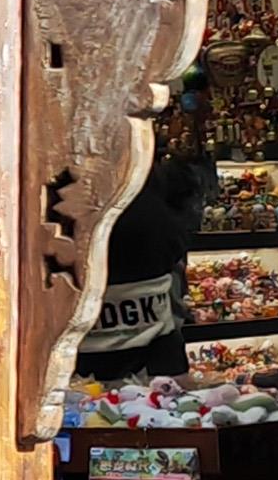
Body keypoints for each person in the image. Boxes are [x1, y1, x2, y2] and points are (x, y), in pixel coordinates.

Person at [76, 149, 216, 386]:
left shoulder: (75, 187)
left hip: (86, 351)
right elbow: (175, 241)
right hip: (155, 348)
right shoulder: (149, 186)